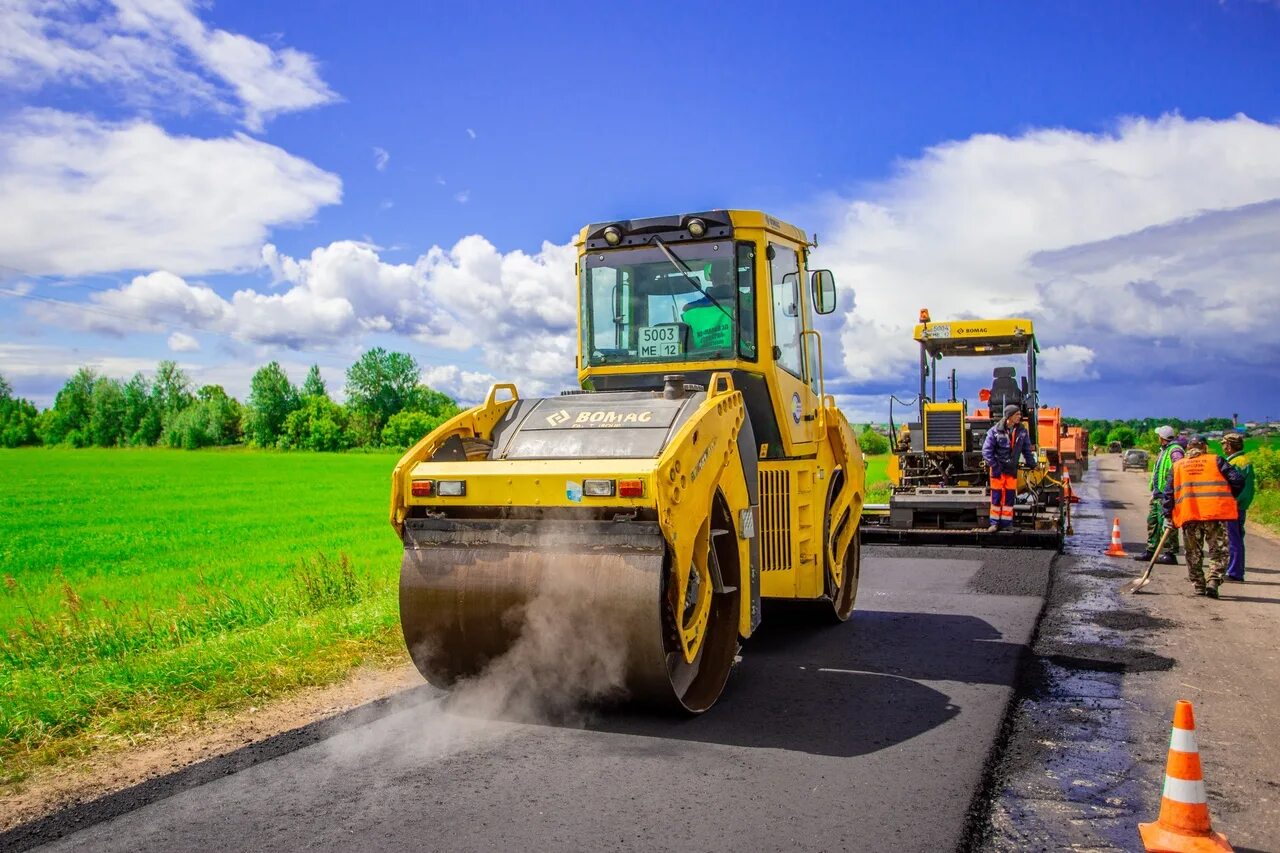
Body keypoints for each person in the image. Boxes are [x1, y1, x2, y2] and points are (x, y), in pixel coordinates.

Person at [1163, 436, 1245, 598]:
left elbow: (1168, 493)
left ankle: (1199, 585)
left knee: (1193, 552)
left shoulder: (1178, 466)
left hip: (1189, 515)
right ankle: (1213, 581)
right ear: (1204, 447)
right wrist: (1227, 496)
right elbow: (1238, 480)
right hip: (1214, 514)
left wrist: (1168, 515)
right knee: (1218, 550)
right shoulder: (1216, 460)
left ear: (1188, 448)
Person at [982, 403, 1037, 532]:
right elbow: (986, 451)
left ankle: (1007, 524)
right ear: (1009, 416)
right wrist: (995, 466)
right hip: (998, 471)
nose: (1020, 416)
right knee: (996, 497)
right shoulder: (995, 431)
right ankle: (994, 524)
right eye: (1017, 414)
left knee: (1009, 498)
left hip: (1011, 471)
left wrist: (1033, 464)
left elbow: (1026, 450)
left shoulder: (1022, 432)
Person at [1134, 425, 1184, 565]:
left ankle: (1170, 553)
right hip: (1158, 495)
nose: (1157, 438)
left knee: (1167, 525)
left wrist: (1172, 492)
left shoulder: (1175, 451)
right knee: (1153, 523)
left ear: (1162, 438)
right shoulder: (1164, 451)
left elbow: (1179, 469)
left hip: (1167, 495)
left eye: (1158, 437)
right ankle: (1151, 551)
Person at [1222, 433, 1255, 582]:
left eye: (1224, 443)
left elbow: (1236, 486)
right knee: (1236, 539)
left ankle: (1234, 572)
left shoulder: (1236, 462)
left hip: (1233, 506)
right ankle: (1235, 569)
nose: (1222, 446)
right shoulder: (1245, 460)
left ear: (1229, 445)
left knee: (1232, 540)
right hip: (1240, 506)